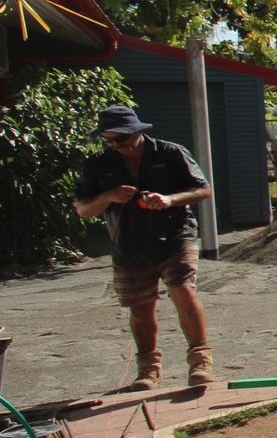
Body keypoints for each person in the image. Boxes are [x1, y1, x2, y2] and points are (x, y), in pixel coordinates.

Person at [72, 106, 218, 390]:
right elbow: (83, 208)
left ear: (138, 131)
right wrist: (108, 196)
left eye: (122, 139)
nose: (117, 146)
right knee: (140, 307)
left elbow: (202, 189)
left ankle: (200, 361)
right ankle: (148, 370)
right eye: (110, 140)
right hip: (128, 243)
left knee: (182, 289)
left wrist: (169, 200)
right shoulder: (98, 165)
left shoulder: (170, 153)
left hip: (175, 235)